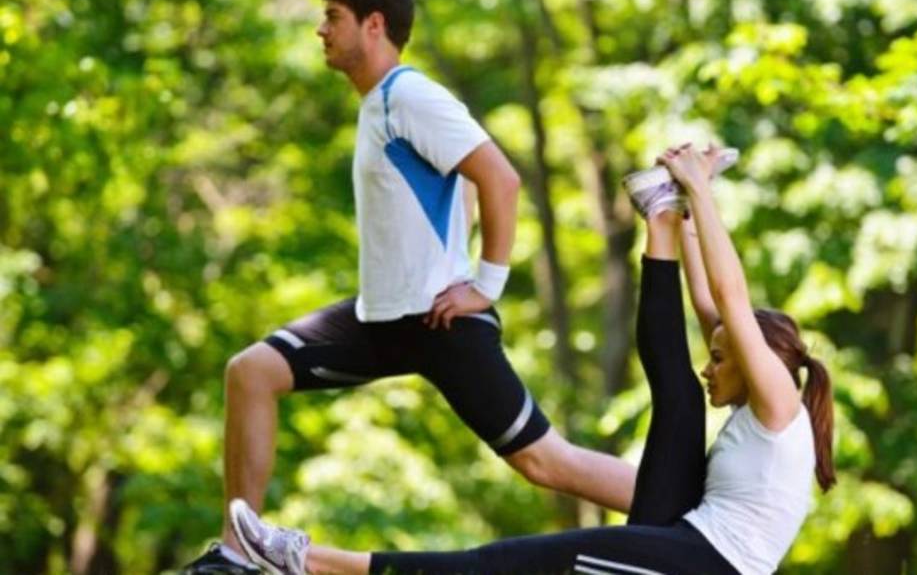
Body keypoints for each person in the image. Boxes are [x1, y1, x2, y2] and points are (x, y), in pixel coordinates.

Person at [222, 144, 838, 575]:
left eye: (723, 358)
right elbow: (707, 301)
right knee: (674, 391)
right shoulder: (760, 396)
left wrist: (703, 189)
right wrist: (685, 217)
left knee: (513, 563)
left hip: (709, 565)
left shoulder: (778, 403)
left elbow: (729, 298)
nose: (712, 366)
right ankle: (659, 215)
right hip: (687, 532)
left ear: (762, 364)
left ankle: (309, 562)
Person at [183, 0, 638, 572]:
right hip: (381, 318)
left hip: (439, 321)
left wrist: (483, 285)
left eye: (333, 16)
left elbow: (499, 178)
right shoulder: (377, 105)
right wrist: (452, 249)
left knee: (544, 463)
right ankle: (239, 550)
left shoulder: (410, 96)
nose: (321, 30)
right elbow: (461, 192)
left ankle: (689, 512)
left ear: (373, 25)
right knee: (251, 372)